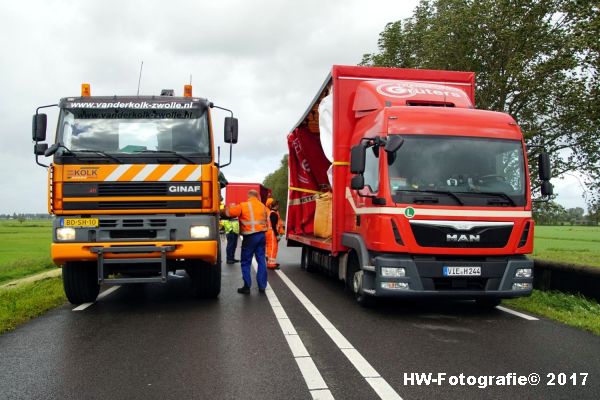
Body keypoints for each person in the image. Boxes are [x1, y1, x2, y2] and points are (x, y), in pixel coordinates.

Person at [224, 190, 269, 294]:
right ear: (257, 197)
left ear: (248, 196)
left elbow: (229, 212)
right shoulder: (263, 206)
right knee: (261, 260)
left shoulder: (243, 206)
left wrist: (223, 209)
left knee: (246, 262)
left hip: (250, 237)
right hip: (262, 235)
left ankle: (247, 287)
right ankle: (262, 286)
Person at [265, 198, 285, 269]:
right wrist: (277, 235)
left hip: (269, 232)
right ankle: (271, 264)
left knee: (270, 247)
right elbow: (273, 225)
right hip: (272, 233)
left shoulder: (270, 212)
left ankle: (270, 262)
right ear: (276, 206)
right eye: (278, 205)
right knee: (273, 248)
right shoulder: (274, 214)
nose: (278, 206)